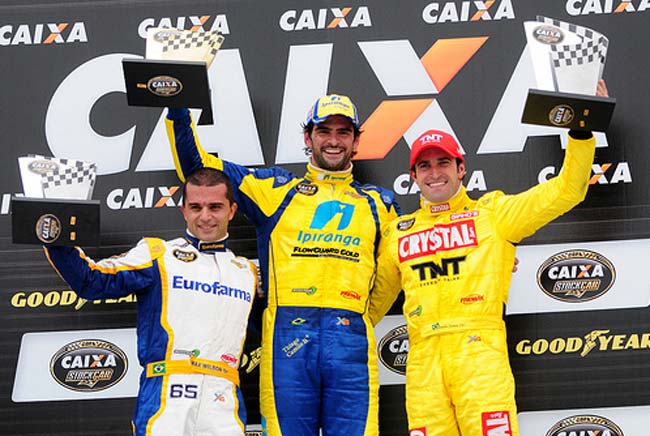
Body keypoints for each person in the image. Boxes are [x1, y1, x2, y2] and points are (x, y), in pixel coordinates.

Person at [370, 81, 609, 436]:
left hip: (479, 356)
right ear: (413, 177)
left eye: (443, 163)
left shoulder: (493, 214)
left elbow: (567, 189)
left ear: (461, 168)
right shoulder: (397, 232)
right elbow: (371, 305)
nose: (435, 173)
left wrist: (581, 130)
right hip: (422, 366)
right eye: (425, 166)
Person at [165, 94, 401, 436]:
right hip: (288, 342)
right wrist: (177, 106)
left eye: (343, 132)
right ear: (308, 138)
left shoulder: (380, 204)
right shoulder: (275, 189)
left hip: (351, 343)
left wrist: (361, 317)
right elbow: (198, 169)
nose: (333, 140)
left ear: (356, 141)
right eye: (324, 131)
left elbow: (396, 270)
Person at [44, 168, 258, 436]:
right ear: (183, 210)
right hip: (167, 393)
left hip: (224, 397)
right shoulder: (158, 253)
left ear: (232, 210)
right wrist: (55, 233)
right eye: (196, 207)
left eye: (215, 207)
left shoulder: (248, 272)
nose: (205, 217)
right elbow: (91, 281)